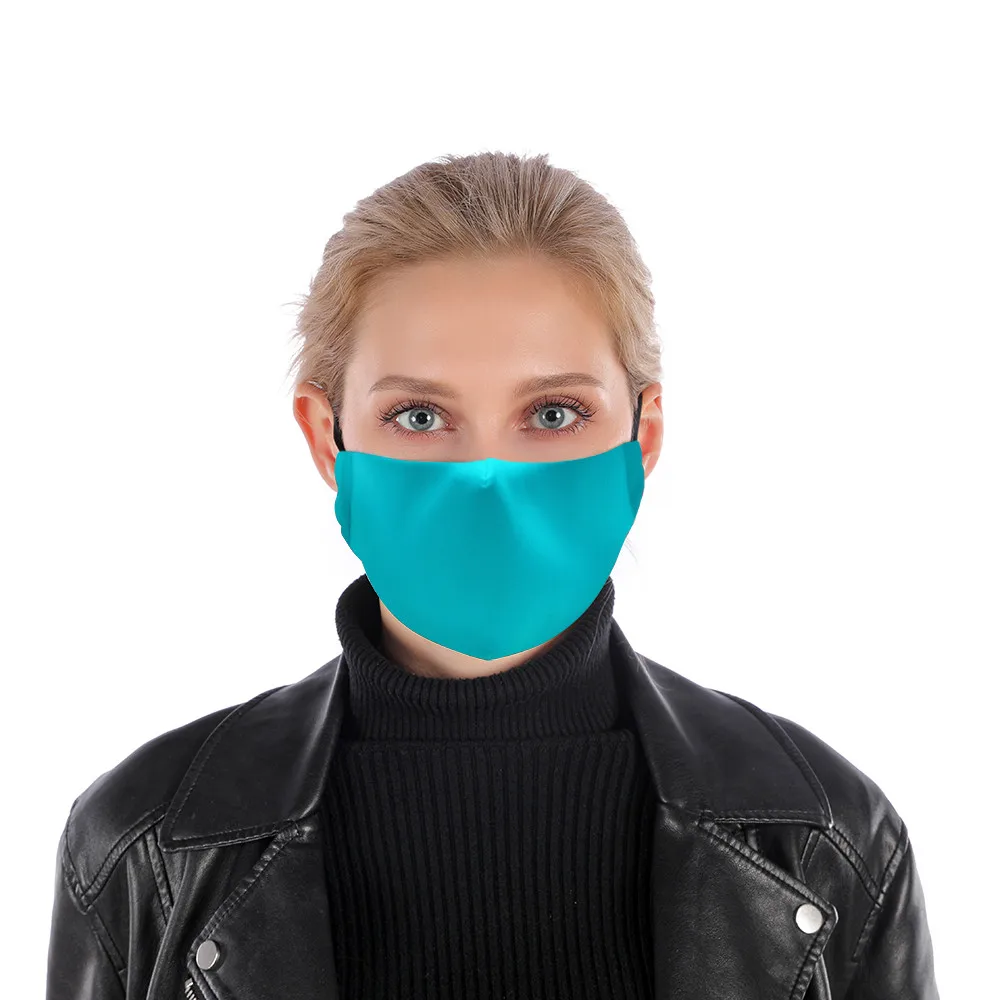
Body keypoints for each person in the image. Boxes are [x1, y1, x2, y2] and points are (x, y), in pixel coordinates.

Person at [46, 151, 939, 1000]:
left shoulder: (829, 839)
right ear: (328, 439)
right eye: (418, 415)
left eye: (552, 413)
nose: (487, 479)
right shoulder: (144, 845)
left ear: (644, 435)